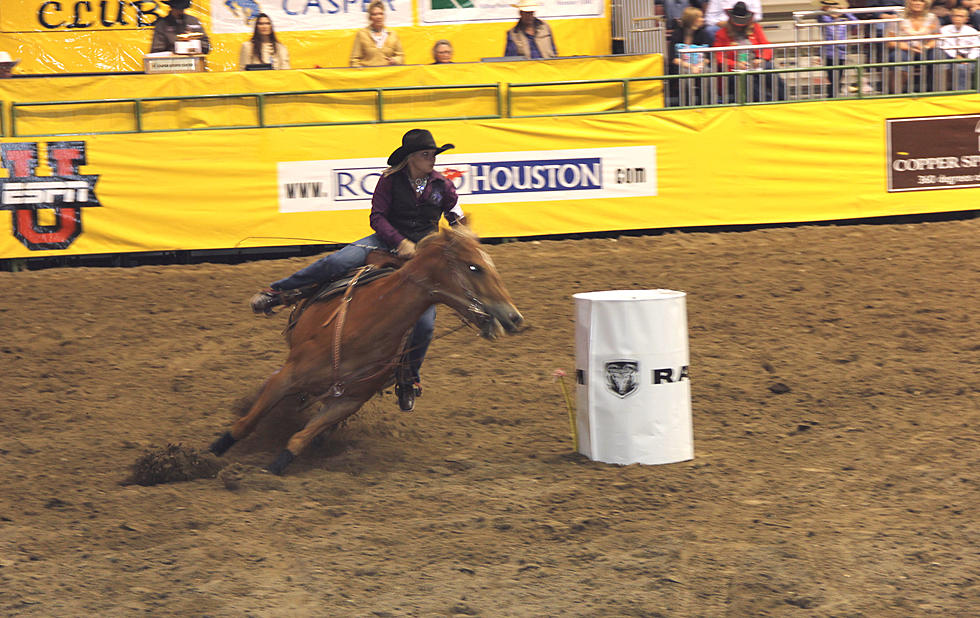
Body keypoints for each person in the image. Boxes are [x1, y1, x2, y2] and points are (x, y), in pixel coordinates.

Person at [250, 129, 466, 412]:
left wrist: (466, 240)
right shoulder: (389, 181)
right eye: (426, 154)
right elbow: (377, 217)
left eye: (434, 154)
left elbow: (456, 217)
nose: (432, 159)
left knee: (424, 325)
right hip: (385, 243)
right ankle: (279, 291)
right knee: (337, 262)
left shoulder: (443, 186)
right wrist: (399, 241)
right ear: (411, 158)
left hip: (422, 256)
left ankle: (408, 378)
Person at [712, 1, 787, 101]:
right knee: (746, 78)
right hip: (734, 72)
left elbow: (766, 46)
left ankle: (784, 100)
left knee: (769, 68)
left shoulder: (755, 28)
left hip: (754, 65)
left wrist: (760, 59)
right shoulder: (721, 34)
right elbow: (718, 58)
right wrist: (735, 64)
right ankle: (762, 103)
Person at [889, 0, 941, 92]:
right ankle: (896, 95)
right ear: (908, 2)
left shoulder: (932, 18)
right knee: (898, 56)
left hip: (925, 49)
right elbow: (890, 41)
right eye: (914, 0)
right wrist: (909, 48)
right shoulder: (898, 18)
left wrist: (926, 47)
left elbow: (937, 39)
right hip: (904, 49)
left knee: (939, 54)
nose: (917, 3)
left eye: (921, 1)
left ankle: (938, 93)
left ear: (926, 4)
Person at [666, 6, 713, 105]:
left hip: (699, 65)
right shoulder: (677, 34)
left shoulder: (704, 34)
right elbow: (673, 59)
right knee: (685, 74)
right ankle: (687, 105)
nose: (702, 19)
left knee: (708, 72)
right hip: (682, 65)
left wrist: (699, 66)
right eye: (700, 17)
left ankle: (706, 104)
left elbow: (708, 57)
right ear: (692, 20)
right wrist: (691, 67)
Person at [815, 0, 858, 97]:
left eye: (837, 9)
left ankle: (833, 95)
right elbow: (819, 17)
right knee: (831, 76)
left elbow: (855, 23)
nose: (835, 11)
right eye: (832, 9)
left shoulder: (843, 23)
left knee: (838, 76)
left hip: (840, 54)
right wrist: (824, 10)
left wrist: (846, 12)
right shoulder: (826, 20)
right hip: (828, 54)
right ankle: (832, 95)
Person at [350, 0, 405, 67]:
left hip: (388, 74)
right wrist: (360, 73)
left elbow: (401, 56)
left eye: (381, 13)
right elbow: (354, 60)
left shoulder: (393, 34)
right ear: (370, 17)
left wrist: (395, 60)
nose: (378, 17)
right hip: (368, 75)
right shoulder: (362, 34)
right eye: (374, 14)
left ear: (384, 16)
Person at [939, 5, 980, 88]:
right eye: (955, 16)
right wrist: (956, 56)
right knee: (943, 62)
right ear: (951, 17)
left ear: (966, 19)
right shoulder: (944, 30)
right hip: (950, 57)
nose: (958, 18)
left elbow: (976, 48)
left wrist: (968, 59)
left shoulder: (972, 31)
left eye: (961, 16)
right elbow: (943, 45)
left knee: (961, 67)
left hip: (969, 58)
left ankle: (964, 93)